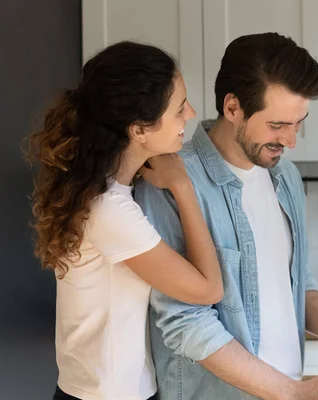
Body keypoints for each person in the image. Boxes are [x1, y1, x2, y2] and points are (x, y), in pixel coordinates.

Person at [135, 32, 318, 400]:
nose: (292, 140)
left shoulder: (286, 177)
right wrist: (292, 391)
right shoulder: (170, 180)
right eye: (278, 126)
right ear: (233, 108)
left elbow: (297, 275)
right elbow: (184, 321)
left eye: (299, 122)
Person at [25, 41, 224, 400]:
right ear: (139, 130)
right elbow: (209, 290)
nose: (191, 114)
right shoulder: (109, 210)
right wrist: (182, 186)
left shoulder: (99, 189)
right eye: (179, 108)